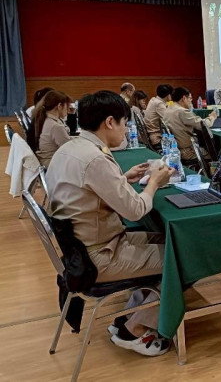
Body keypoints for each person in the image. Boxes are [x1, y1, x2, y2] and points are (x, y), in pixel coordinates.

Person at [46, 90, 174, 356]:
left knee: (172, 242)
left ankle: (130, 316)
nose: (126, 129)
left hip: (83, 250)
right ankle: (134, 329)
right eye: (125, 123)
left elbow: (85, 193)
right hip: (99, 257)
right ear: (109, 122)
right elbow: (136, 210)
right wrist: (154, 183)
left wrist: (122, 179)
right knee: (182, 259)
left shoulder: (69, 149)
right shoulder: (95, 159)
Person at [164, 87, 217, 161]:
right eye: (190, 98)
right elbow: (204, 125)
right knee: (215, 155)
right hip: (188, 151)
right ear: (184, 98)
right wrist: (212, 117)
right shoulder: (182, 111)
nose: (191, 101)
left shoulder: (168, 109)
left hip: (175, 149)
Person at [32, 90, 72, 167]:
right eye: (67, 107)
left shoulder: (46, 119)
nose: (68, 111)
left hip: (45, 160)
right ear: (59, 106)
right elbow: (69, 149)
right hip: (52, 164)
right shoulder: (56, 126)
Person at [144, 84, 172, 149]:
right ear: (168, 95)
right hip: (156, 137)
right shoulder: (159, 104)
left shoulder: (154, 100)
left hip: (150, 134)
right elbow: (169, 119)